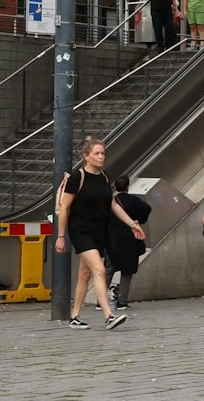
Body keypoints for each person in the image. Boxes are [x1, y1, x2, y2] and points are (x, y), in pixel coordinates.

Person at [55, 137, 143, 329]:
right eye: (97, 153)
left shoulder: (103, 177)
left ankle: (74, 317)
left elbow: (112, 204)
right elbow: (64, 208)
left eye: (103, 153)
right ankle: (108, 315)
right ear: (86, 156)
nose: (101, 156)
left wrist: (132, 224)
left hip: (99, 231)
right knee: (100, 270)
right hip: (80, 230)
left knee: (85, 274)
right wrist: (61, 236)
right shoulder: (78, 177)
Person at [106, 175, 152, 311]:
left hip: (112, 239)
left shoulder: (111, 202)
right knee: (127, 271)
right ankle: (122, 301)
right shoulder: (135, 201)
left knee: (108, 270)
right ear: (128, 186)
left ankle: (100, 301)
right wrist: (139, 220)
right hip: (129, 239)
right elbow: (147, 208)